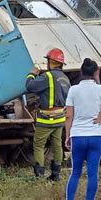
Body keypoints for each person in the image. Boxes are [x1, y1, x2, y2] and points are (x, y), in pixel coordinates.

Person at [65, 58, 101, 200]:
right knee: (92, 173)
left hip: (78, 135)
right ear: (96, 72)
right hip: (96, 135)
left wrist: (68, 136)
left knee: (75, 172)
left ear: (81, 72)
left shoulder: (73, 90)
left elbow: (68, 116)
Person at [26, 48, 70, 181]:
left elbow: (30, 86)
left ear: (51, 62)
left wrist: (31, 74)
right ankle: (56, 175)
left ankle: (39, 175)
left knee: (38, 145)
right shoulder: (65, 78)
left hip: (47, 118)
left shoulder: (48, 76)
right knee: (57, 144)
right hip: (59, 118)